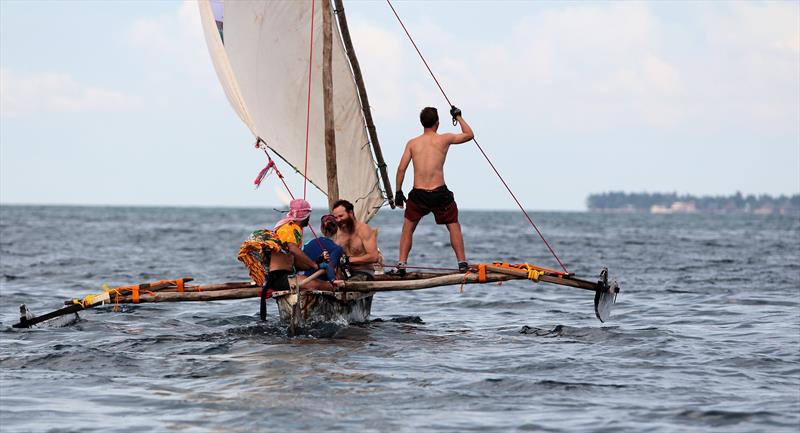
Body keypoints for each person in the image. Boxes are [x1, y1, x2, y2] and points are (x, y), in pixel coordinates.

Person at [394, 105, 474, 275]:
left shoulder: (413, 143)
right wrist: (458, 116)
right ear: (437, 123)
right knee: (453, 226)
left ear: (422, 123)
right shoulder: (444, 139)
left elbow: (401, 168)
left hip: (418, 194)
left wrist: (398, 192)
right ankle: (462, 263)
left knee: (407, 229)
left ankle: (401, 264)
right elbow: (469, 135)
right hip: (439, 193)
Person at [266, 199, 328, 296]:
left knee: (316, 281)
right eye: (308, 215)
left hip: (284, 275)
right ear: (305, 216)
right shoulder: (289, 228)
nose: (309, 218)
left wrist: (318, 262)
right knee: (318, 284)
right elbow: (292, 248)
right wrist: (314, 265)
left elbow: (294, 262)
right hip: (279, 277)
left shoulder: (291, 228)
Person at [331, 199, 381, 280]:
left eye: (341, 216)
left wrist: (348, 260)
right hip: (343, 274)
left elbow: (374, 257)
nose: (338, 220)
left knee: (352, 284)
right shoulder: (337, 232)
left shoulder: (364, 229)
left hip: (364, 272)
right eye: (335, 218)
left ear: (350, 213)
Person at [301, 214, 344, 288]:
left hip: (304, 282)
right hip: (320, 285)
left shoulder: (307, 244)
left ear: (321, 229)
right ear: (337, 228)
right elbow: (330, 267)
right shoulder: (337, 248)